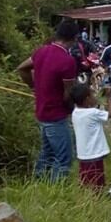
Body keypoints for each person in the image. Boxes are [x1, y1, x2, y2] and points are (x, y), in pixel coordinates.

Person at [17, 20, 79, 181]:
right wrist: (73, 108)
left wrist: (34, 87)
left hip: (41, 111)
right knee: (64, 157)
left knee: (47, 152)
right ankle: (56, 188)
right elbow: (68, 93)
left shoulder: (41, 51)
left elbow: (22, 68)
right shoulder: (67, 61)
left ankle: (38, 182)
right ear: (74, 38)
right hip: (56, 113)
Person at [71, 83, 111, 191]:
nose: (95, 97)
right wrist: (108, 97)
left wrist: (98, 98)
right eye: (92, 95)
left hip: (83, 154)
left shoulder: (75, 112)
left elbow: (94, 103)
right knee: (97, 184)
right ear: (87, 99)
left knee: (86, 182)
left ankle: (88, 201)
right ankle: (96, 201)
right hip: (94, 153)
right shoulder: (93, 113)